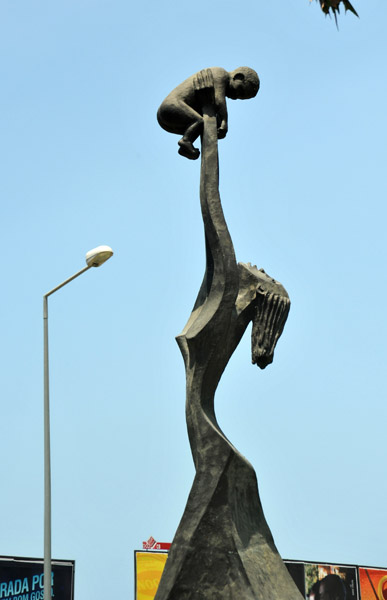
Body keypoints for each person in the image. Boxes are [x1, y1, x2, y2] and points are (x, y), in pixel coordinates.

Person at [157, 66, 260, 160]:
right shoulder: (220, 74)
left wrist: (218, 125)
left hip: (168, 119)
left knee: (203, 124)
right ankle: (185, 141)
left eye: (239, 97)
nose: (236, 96)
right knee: (200, 121)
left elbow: (215, 105)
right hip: (171, 106)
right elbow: (219, 100)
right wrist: (224, 122)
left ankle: (185, 147)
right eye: (240, 90)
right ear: (238, 77)